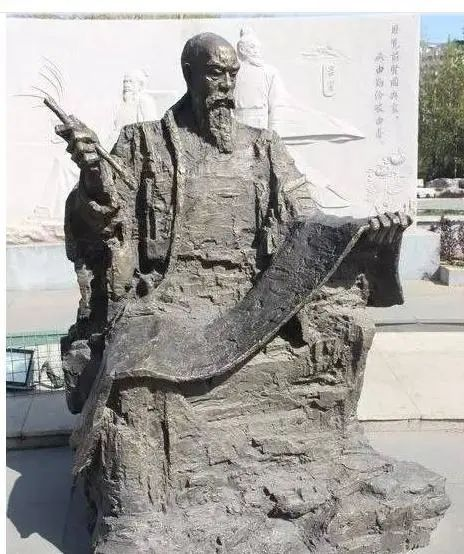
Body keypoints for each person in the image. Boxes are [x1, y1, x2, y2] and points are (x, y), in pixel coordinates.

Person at [57, 33, 411, 552]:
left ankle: (332, 455)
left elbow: (308, 220)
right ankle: (137, 514)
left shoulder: (264, 147)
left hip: (253, 295)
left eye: (232, 74)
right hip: (170, 299)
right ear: (188, 74)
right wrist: (93, 178)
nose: (226, 85)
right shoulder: (142, 143)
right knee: (132, 374)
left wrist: (362, 228)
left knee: (348, 329)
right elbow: (104, 224)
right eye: (214, 73)